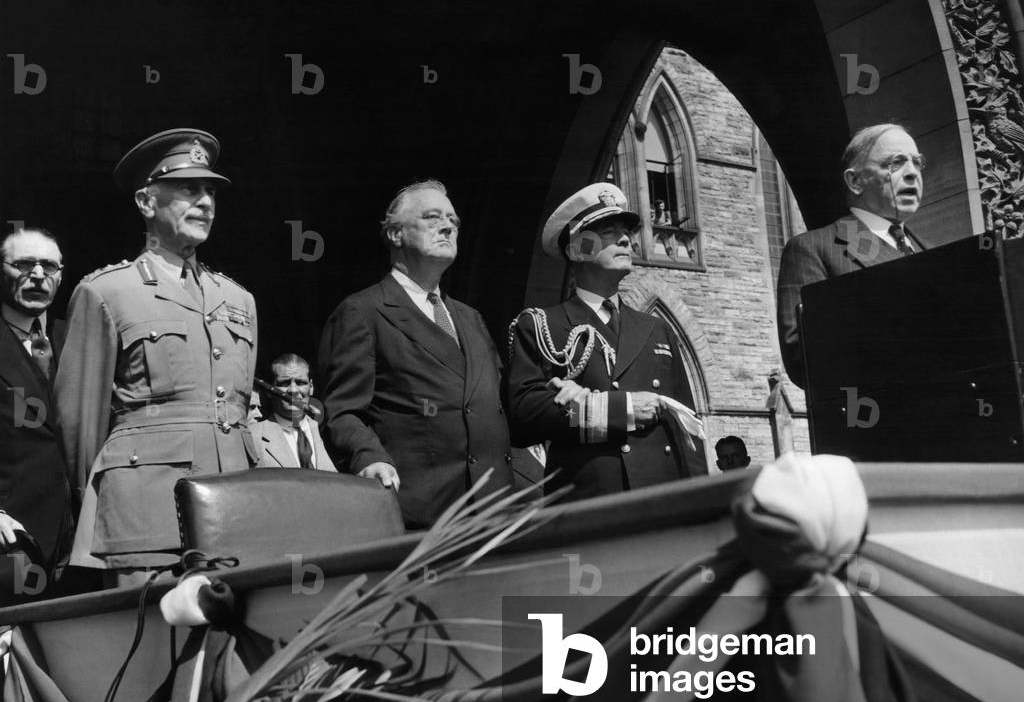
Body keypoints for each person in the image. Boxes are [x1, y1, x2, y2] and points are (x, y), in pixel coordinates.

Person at [55, 128, 258, 576]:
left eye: (210, 191)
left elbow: (236, 411)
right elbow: (79, 425)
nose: (205, 201)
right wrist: (105, 502)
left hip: (236, 506)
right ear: (147, 203)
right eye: (188, 189)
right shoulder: (107, 292)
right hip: (145, 514)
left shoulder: (238, 300)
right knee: (149, 637)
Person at [318, 179, 514, 528]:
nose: (447, 227)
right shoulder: (363, 312)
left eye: (453, 221)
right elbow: (344, 412)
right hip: (423, 514)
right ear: (395, 234)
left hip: (495, 510)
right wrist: (369, 457)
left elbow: (498, 404)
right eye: (432, 217)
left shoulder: (471, 318)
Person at [506, 183, 707, 503]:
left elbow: (687, 427)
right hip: (589, 503)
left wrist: (701, 506)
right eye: (609, 231)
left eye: (625, 232)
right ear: (578, 248)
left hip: (663, 500)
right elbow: (522, 418)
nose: (626, 239)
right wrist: (617, 410)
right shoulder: (544, 325)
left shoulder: (656, 329)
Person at [776, 123, 930, 388]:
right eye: (896, 163)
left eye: (917, 162)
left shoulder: (936, 253)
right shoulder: (814, 249)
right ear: (855, 181)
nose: (912, 173)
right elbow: (803, 358)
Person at [0, 228, 73, 594]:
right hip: (12, 537)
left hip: (79, 542)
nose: (38, 275)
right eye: (24, 264)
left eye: (49, 266)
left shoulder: (74, 338)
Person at [251, 353, 336, 471]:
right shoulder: (252, 437)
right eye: (284, 383)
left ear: (311, 387)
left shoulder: (330, 433)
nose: (293, 390)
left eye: (300, 383)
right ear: (269, 391)